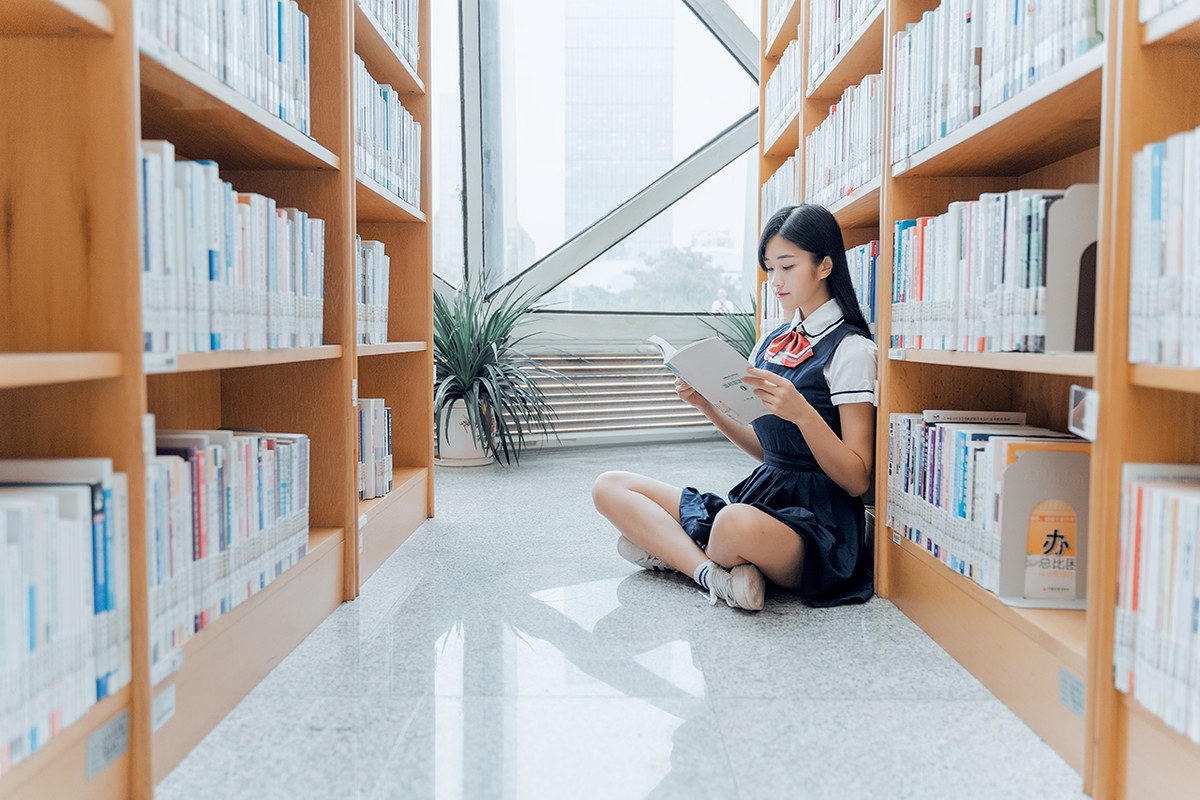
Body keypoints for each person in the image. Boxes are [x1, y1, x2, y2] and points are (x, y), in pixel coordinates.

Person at [592, 204, 877, 611]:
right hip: (764, 496)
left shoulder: (852, 351)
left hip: (821, 524)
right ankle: (716, 575)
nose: (775, 281)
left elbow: (856, 480)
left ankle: (674, 554)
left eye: (787, 266)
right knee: (609, 485)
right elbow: (769, 451)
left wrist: (801, 412)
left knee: (730, 523)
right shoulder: (770, 341)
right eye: (769, 269)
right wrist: (709, 406)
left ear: (824, 266)